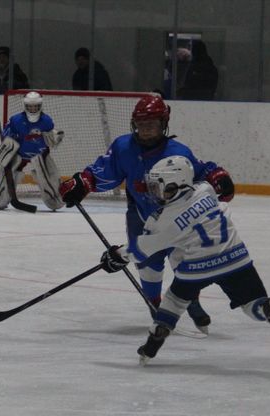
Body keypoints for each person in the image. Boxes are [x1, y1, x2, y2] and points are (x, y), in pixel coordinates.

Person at [59, 94, 235, 332]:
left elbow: (202, 172)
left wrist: (218, 178)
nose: (146, 129)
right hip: (141, 215)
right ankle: (155, 306)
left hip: (178, 219)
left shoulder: (178, 151)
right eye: (141, 124)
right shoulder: (123, 147)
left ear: (163, 123)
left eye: (151, 124)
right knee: (147, 264)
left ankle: (191, 300)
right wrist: (83, 183)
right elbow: (104, 171)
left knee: (184, 262)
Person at [97, 155, 270, 364]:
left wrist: (117, 255)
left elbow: (140, 250)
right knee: (251, 304)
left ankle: (155, 339)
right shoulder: (205, 189)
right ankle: (266, 308)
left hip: (197, 268)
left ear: (176, 184)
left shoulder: (162, 220)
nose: (155, 193)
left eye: (159, 187)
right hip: (236, 258)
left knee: (174, 301)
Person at [0, 91, 64, 211]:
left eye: (35, 106)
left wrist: (55, 137)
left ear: (40, 106)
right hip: (19, 155)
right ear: (25, 106)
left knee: (50, 178)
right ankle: (0, 199)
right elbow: (6, 136)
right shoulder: (16, 120)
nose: (33, 109)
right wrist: (9, 137)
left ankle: (54, 200)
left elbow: (50, 138)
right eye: (30, 106)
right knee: (5, 177)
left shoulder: (47, 121)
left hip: (40, 154)